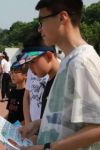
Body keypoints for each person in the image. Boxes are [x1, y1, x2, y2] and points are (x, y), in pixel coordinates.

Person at [18, 0, 100, 149]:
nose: (39, 29)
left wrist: (48, 148)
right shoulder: (69, 61)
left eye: (41, 21)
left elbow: (97, 127)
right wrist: (36, 125)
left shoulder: (82, 62)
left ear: (62, 18)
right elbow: (67, 117)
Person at [4, 60, 28, 126]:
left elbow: (27, 118)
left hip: (20, 130)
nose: (12, 75)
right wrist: (2, 122)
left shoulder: (27, 93)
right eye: (11, 72)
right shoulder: (13, 91)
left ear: (25, 75)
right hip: (11, 129)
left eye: (16, 72)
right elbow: (10, 113)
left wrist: (15, 127)